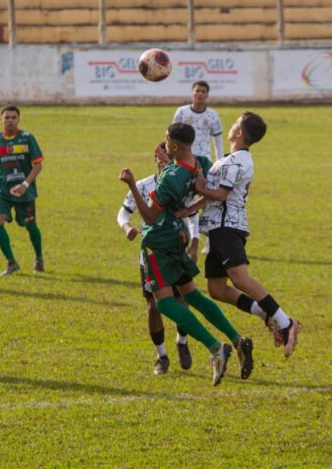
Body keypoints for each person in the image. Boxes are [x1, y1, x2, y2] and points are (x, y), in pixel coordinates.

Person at [119, 123, 254, 386]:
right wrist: (193, 205)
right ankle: (237, 339)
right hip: (178, 237)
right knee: (192, 295)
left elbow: (149, 215)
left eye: (167, 140)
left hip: (158, 241)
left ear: (175, 146)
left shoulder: (171, 178)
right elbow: (205, 188)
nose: (164, 143)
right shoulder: (198, 162)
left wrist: (133, 185)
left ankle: (217, 348)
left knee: (164, 303)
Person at [194, 111, 303, 357]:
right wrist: (188, 209)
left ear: (240, 133)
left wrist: (199, 186)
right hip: (215, 229)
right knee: (217, 289)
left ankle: (286, 322)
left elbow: (220, 195)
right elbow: (209, 197)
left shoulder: (238, 161)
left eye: (234, 124)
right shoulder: (228, 159)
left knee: (240, 278)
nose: (231, 126)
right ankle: (265, 313)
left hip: (228, 227)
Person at [117, 143, 192, 374]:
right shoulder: (143, 185)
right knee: (153, 305)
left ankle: (182, 342)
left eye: (167, 157)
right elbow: (123, 212)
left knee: (182, 300)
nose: (162, 161)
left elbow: (191, 215)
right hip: (150, 254)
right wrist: (127, 227)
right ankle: (162, 357)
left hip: (176, 251)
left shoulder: (180, 183)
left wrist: (194, 242)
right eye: (159, 157)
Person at [0, 105, 44, 276]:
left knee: (30, 224)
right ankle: (11, 262)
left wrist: (25, 185)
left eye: (13, 117)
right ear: (1, 120)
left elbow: (38, 165)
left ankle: (39, 257)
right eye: (7, 117)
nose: (10, 120)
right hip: (2, 190)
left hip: (24, 190)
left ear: (18, 120)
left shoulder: (27, 138)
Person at [172, 80, 223, 255]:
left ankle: (209, 240)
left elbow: (217, 140)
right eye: (197, 90)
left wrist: (220, 161)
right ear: (192, 93)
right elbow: (172, 136)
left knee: (208, 198)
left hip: (205, 161)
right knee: (183, 197)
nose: (200, 94)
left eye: (203, 91)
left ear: (207, 95)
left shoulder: (213, 116)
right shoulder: (182, 112)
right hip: (185, 161)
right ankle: (182, 234)